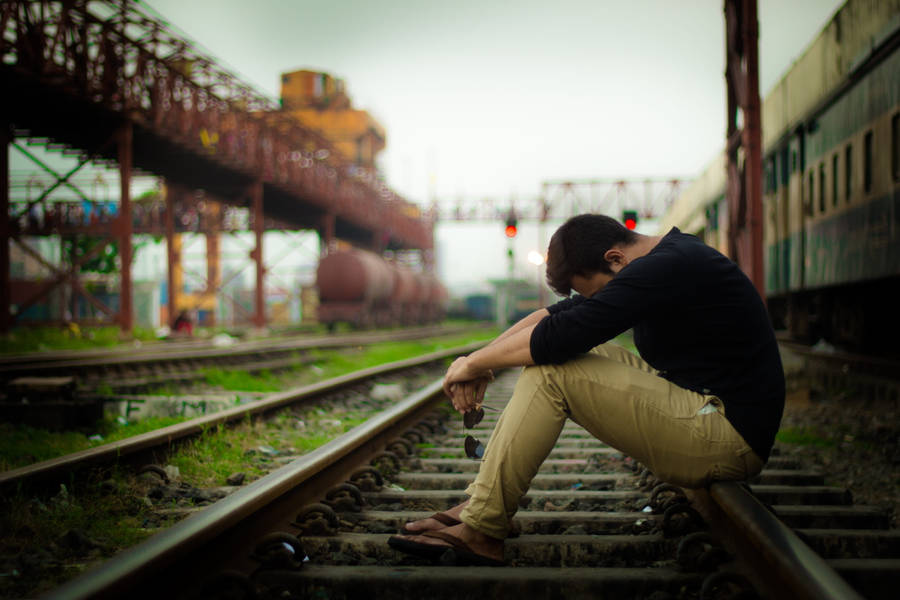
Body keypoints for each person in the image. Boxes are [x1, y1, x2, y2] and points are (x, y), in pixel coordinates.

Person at [388, 213, 785, 566]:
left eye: (595, 293)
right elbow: (558, 314)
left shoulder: (666, 266)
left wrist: (474, 365)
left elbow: (564, 334)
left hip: (726, 436)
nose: (596, 303)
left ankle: (482, 529)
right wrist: (479, 357)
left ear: (615, 259)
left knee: (552, 372)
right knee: (572, 352)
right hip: (705, 410)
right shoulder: (667, 258)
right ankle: (484, 504)